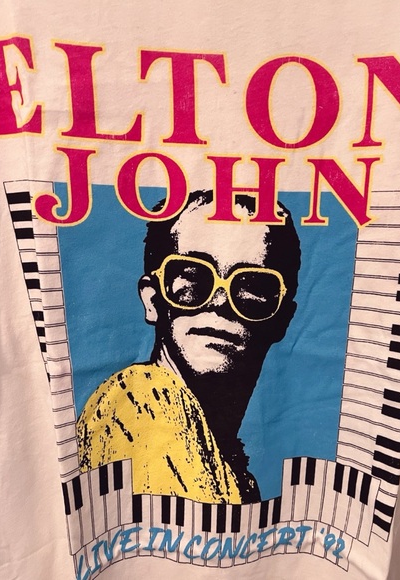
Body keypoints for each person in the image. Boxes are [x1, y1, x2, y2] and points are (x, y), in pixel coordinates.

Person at [77, 190, 301, 504]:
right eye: (193, 279)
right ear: (153, 300)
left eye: (251, 288)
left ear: (281, 319)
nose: (220, 302)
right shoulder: (140, 400)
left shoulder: (235, 470)